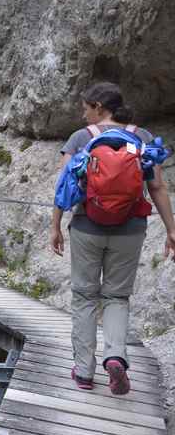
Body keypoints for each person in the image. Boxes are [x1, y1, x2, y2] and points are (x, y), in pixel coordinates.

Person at [50, 82, 175, 395]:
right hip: (131, 228)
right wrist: (172, 229)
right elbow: (158, 187)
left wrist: (54, 226)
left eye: (86, 108)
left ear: (99, 107)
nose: (83, 114)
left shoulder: (82, 138)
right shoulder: (142, 137)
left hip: (87, 226)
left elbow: (64, 185)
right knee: (117, 297)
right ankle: (115, 356)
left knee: (84, 297)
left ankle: (84, 371)